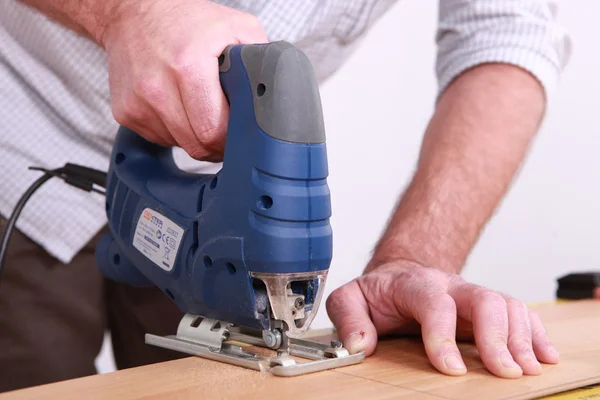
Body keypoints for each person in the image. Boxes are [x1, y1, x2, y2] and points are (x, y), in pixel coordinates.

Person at [0, 0, 571, 392]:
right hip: (23, 139)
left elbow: (508, 35)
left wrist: (414, 258)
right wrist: (127, 12)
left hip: (200, 165)